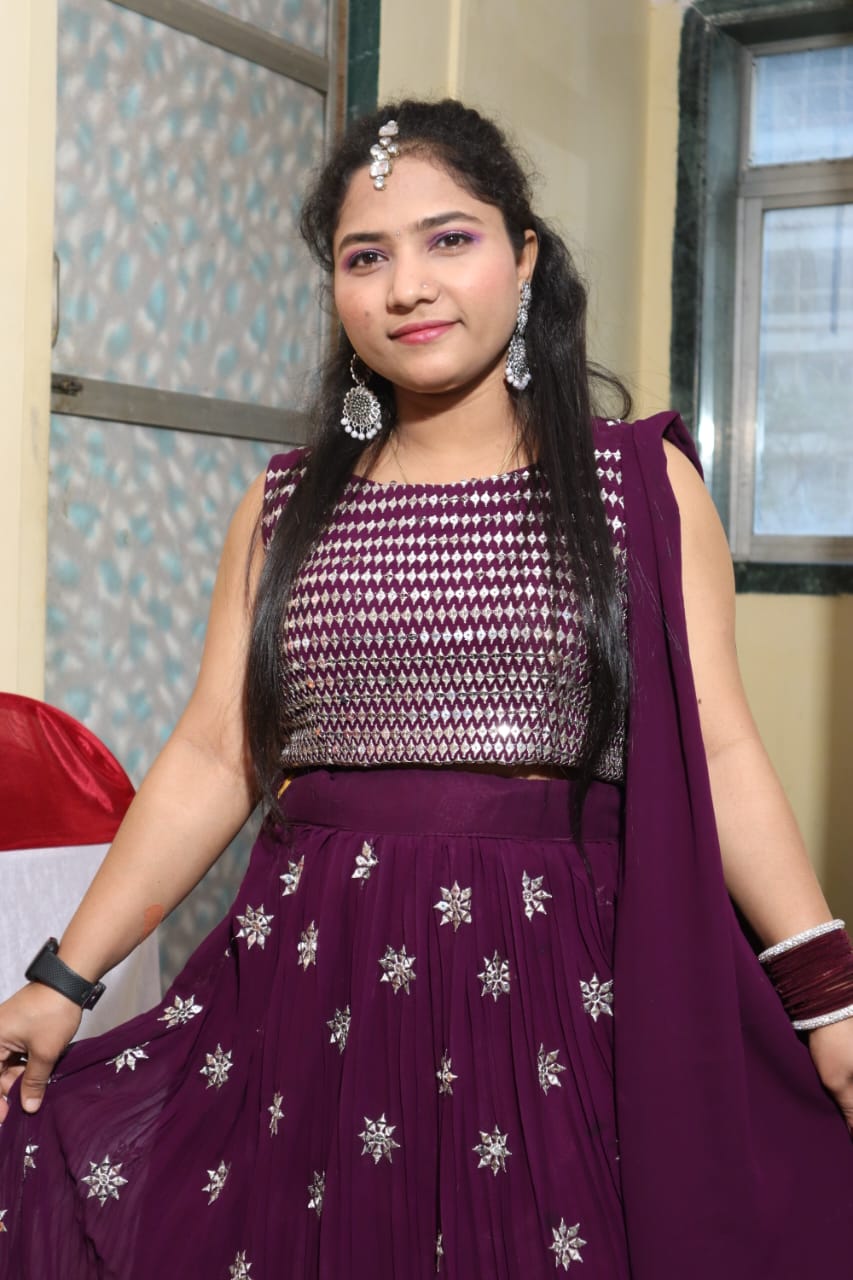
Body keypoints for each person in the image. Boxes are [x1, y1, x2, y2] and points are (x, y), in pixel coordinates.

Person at [0, 98, 851, 1280]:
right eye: (366, 257)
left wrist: (827, 995)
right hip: (317, 979)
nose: (408, 286)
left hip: (559, 986)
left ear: (524, 257)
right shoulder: (282, 505)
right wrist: (60, 980)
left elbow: (718, 749)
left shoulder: (637, 486)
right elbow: (213, 755)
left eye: (449, 239)